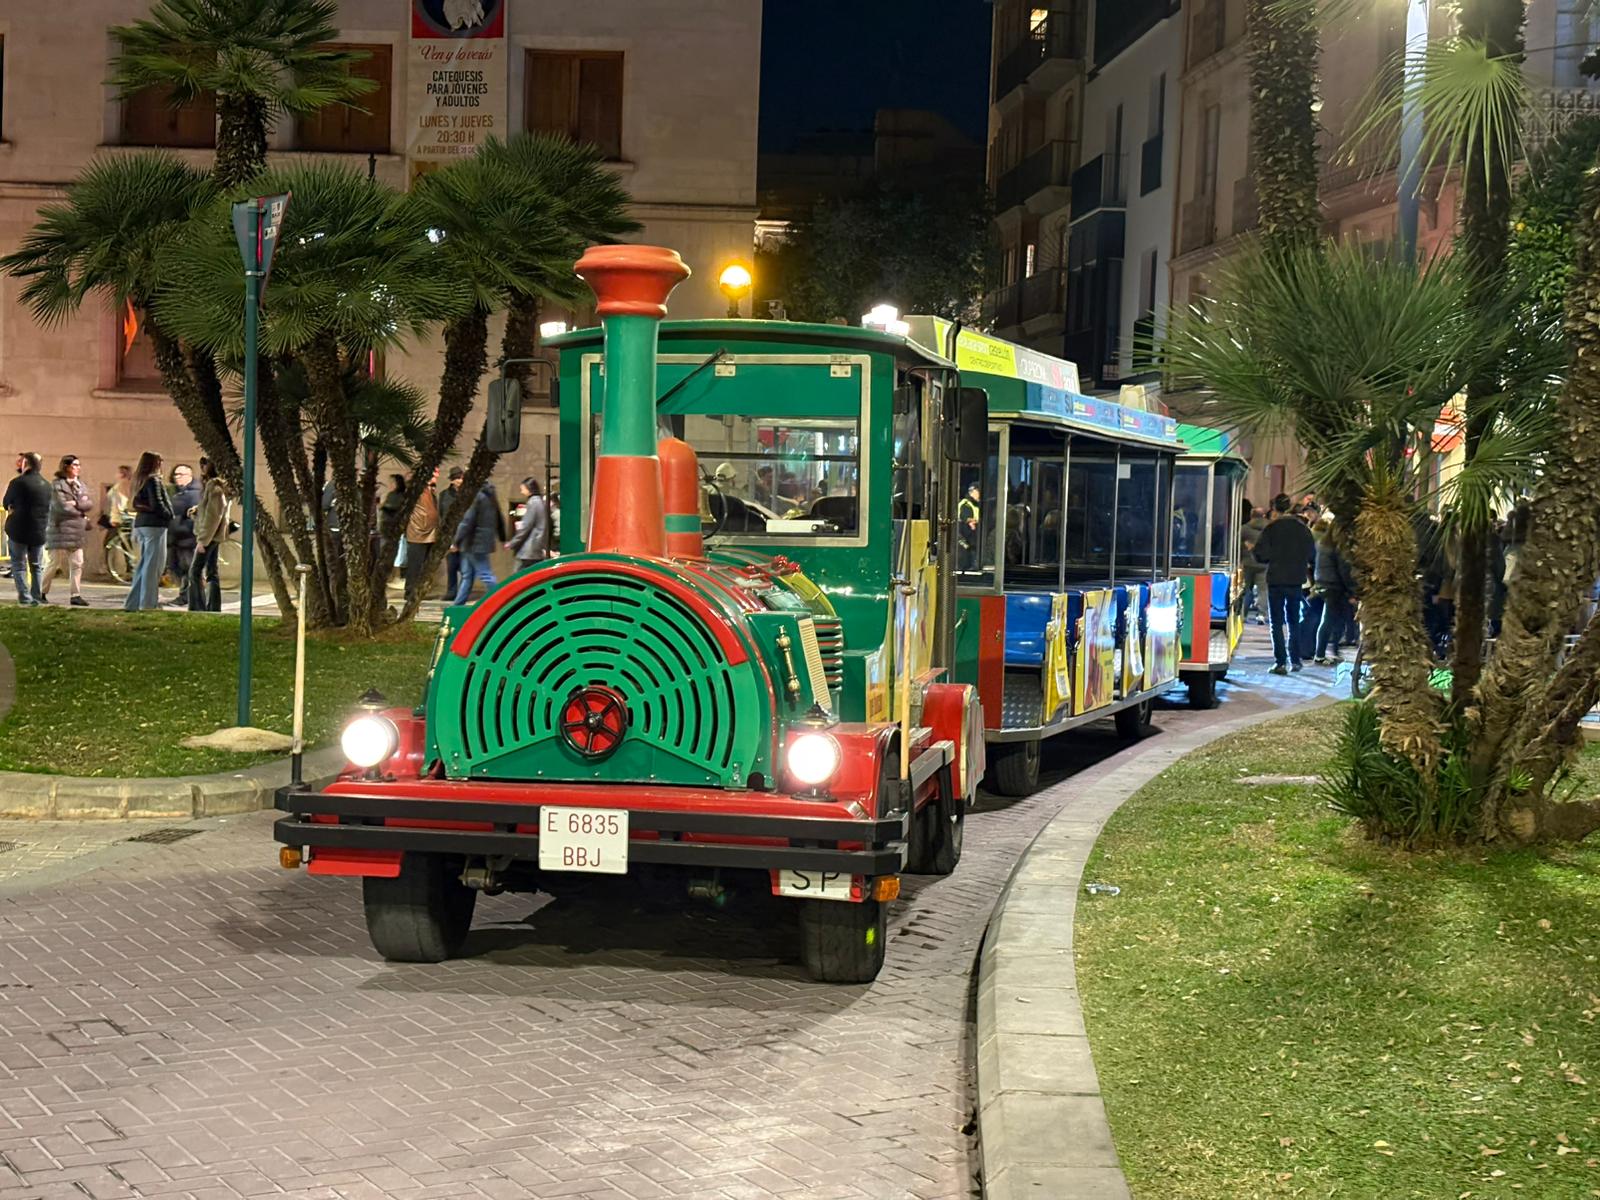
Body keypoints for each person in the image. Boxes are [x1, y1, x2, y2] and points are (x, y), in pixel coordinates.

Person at [1253, 493, 1316, 675]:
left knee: (1276, 622)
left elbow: (1260, 554)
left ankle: (1280, 662)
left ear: (1275, 508)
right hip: (1296, 580)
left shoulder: (1272, 528)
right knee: (1293, 621)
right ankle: (1295, 660)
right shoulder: (1303, 530)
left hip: (1276, 579)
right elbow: (1312, 555)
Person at [41, 455, 93, 606]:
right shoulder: (57, 485)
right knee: (53, 563)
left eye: (78, 465)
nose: (78, 468)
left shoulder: (80, 485)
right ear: (66, 467)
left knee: (77, 563)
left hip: (76, 530)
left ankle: (75, 595)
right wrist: (79, 508)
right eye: (74, 465)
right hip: (59, 529)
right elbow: (61, 507)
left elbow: (89, 504)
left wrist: (76, 504)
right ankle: (41, 592)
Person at [123, 451, 172, 611]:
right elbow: (157, 503)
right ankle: (148, 604)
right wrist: (169, 515)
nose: (161, 464)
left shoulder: (139, 480)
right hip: (155, 525)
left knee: (145, 564)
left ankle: (133, 603)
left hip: (142, 524)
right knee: (154, 566)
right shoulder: (153, 480)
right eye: (159, 461)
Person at [3, 453, 51, 606]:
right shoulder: (46, 485)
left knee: (19, 565)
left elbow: (6, 502)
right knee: (36, 566)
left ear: (26, 463)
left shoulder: (18, 483)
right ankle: (36, 596)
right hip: (39, 531)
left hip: (19, 529)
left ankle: (25, 597)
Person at [1312, 516, 1357, 665]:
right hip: (1335, 586)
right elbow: (1344, 570)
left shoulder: (1322, 543)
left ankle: (1325, 652)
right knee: (1333, 620)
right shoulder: (1338, 547)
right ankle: (1322, 654)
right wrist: (1352, 591)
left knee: (1329, 619)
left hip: (1323, 582)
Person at [452, 479, 503, 605]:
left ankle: (500, 601)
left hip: (473, 542)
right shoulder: (490, 495)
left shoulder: (475, 496)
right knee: (468, 575)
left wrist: (456, 541)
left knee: (484, 574)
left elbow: (467, 521)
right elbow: (499, 517)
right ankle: (458, 604)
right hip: (481, 541)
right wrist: (503, 536)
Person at [188, 458, 228, 612]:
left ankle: (197, 607)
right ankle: (213, 607)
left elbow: (213, 516)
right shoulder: (217, 486)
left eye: (204, 464)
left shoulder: (214, 486)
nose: (202, 467)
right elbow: (212, 510)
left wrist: (202, 540)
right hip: (213, 536)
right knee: (212, 571)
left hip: (209, 537)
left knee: (195, 571)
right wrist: (197, 510)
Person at [403, 467, 440, 604]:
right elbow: (409, 478)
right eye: (433, 474)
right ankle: (410, 592)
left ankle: (420, 591)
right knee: (415, 565)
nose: (436, 477)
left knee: (425, 566)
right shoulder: (415, 488)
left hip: (431, 532)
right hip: (417, 533)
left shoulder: (430, 490)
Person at [165, 463, 199, 606]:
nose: (178, 477)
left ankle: (187, 597)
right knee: (177, 568)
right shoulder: (177, 492)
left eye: (181, 474)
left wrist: (181, 528)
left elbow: (195, 516)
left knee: (187, 568)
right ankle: (187, 596)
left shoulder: (194, 493)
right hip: (176, 538)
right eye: (176, 474)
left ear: (190, 476)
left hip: (187, 538)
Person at [507, 477, 550, 568]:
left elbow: (526, 527)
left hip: (528, 549)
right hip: (537, 547)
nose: (521, 492)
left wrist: (512, 543)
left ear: (529, 489)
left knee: (519, 574)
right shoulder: (540, 502)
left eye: (523, 489)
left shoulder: (533, 503)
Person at [375, 473, 407, 590]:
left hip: (391, 529)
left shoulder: (399, 496)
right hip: (386, 528)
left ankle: (391, 577)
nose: (390, 484)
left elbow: (393, 508)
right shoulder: (392, 495)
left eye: (392, 482)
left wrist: (382, 506)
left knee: (390, 553)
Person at [440, 466, 466, 601]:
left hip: (464, 535)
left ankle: (462, 592)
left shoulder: (468, 494)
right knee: (451, 566)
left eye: (461, 478)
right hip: (450, 534)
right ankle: (451, 591)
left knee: (464, 568)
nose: (459, 481)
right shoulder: (444, 495)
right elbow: (442, 516)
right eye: (456, 478)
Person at [1240, 504, 1268, 622]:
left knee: (1245, 589)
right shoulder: (1270, 528)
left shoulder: (1244, 529)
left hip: (1247, 563)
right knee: (1263, 590)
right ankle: (1262, 614)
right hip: (1264, 563)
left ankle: (1243, 614)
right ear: (1264, 515)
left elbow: (1237, 544)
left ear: (1251, 515)